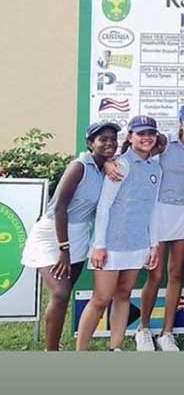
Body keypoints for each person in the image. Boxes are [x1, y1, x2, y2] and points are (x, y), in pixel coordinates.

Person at [21, 121, 120, 351]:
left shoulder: (104, 166)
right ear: (90, 143)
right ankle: (52, 351)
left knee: (63, 296)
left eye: (113, 139)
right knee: (60, 292)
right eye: (102, 139)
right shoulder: (79, 166)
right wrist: (63, 250)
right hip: (53, 233)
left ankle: (54, 346)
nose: (109, 143)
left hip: (79, 234)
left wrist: (106, 163)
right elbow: (59, 208)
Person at [76, 116, 162, 351]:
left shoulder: (156, 168)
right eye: (140, 133)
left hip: (138, 245)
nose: (146, 138)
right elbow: (104, 207)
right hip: (111, 245)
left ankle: (116, 348)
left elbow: (153, 208)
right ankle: (79, 351)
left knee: (124, 295)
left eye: (151, 133)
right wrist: (100, 245)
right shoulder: (120, 164)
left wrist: (153, 244)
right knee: (101, 299)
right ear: (131, 137)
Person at [134, 102, 184, 351]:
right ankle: (143, 329)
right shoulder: (164, 146)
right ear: (181, 122)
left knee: (176, 273)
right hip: (161, 211)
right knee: (155, 274)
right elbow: (135, 156)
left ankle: (167, 332)